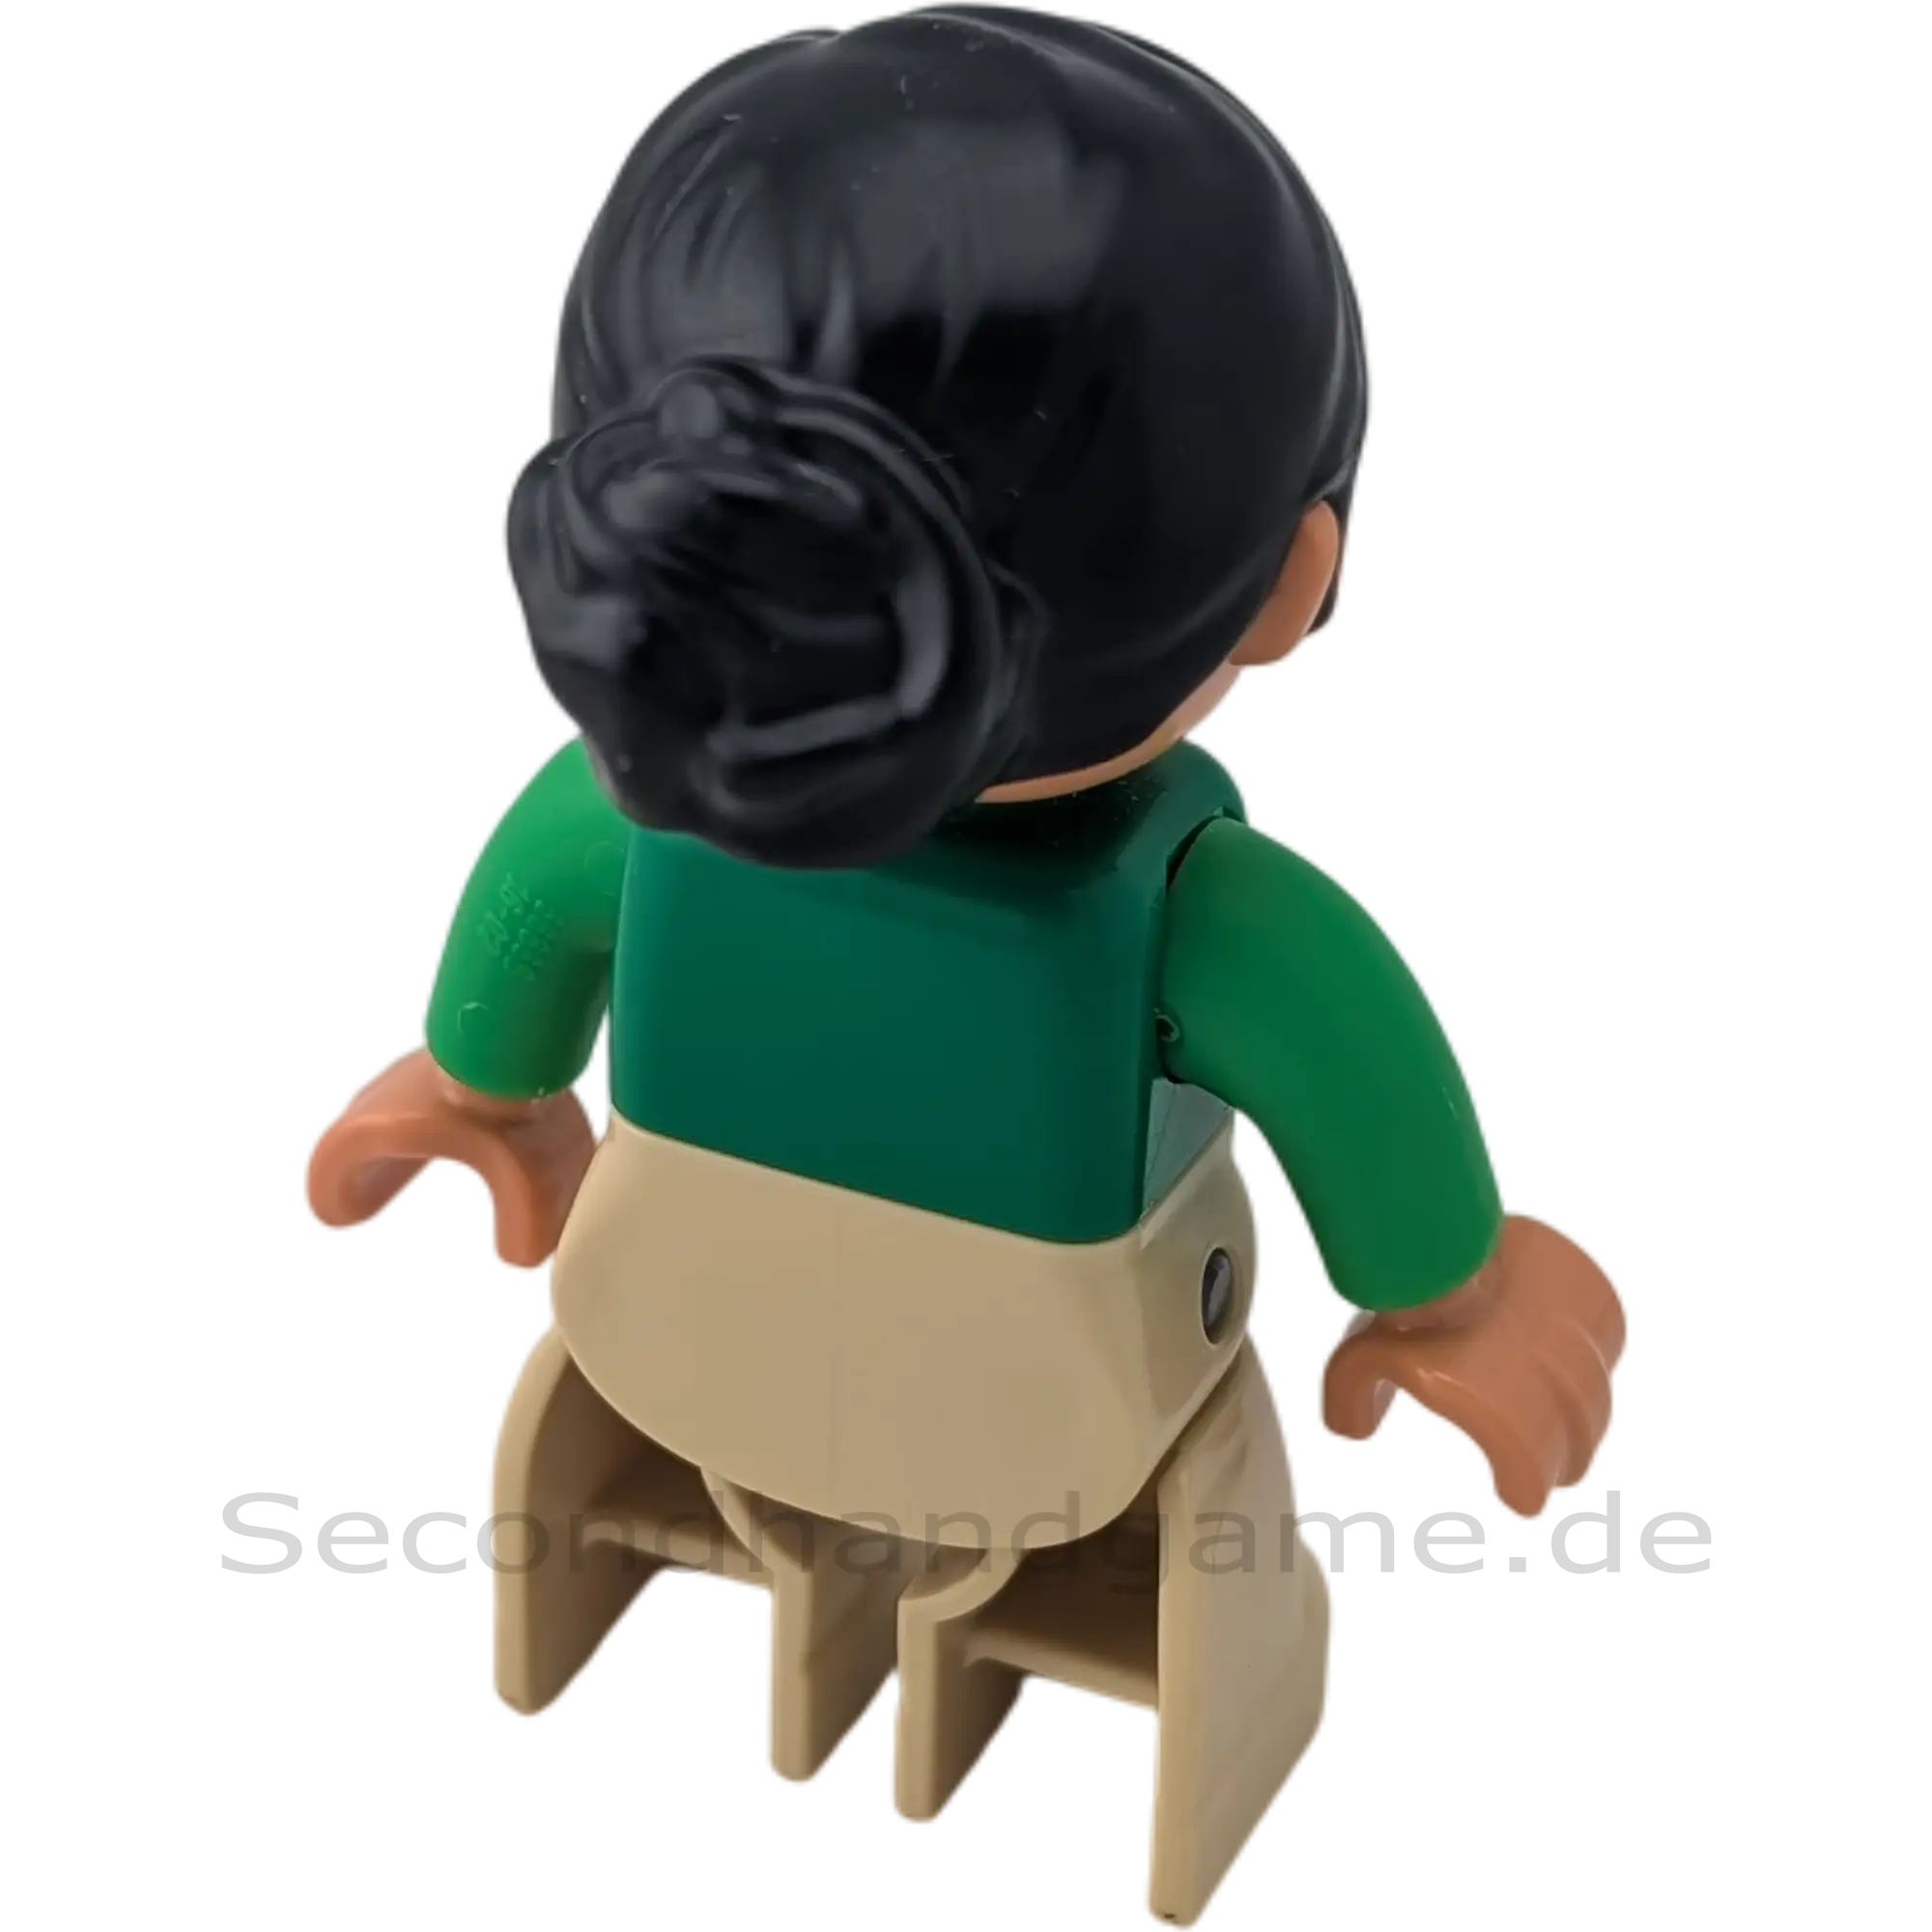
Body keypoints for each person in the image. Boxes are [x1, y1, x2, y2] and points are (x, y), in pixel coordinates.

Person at [304, 8, 1624, 1922]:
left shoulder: (623, 820)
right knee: (1206, 1506)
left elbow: (522, 926)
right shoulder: (1201, 911)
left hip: (667, 1343)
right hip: (1066, 1429)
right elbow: (1353, 1084)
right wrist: (1454, 1294)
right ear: (1296, 580)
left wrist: (475, 1087)